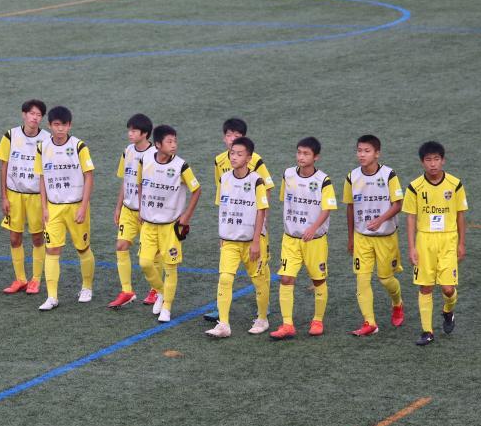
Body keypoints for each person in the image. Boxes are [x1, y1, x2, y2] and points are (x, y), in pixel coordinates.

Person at [205, 117, 275, 322]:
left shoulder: (255, 160)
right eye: (229, 135)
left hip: (253, 225)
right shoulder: (219, 161)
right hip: (232, 226)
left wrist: (261, 222)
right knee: (226, 276)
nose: (232, 139)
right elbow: (222, 195)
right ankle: (222, 311)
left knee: (260, 268)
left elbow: (266, 188)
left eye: (237, 136)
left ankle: (264, 307)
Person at [271, 137, 336, 341]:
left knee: (318, 279)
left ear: (316, 157)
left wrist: (313, 228)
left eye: (306, 153)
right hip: (290, 238)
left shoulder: (323, 180)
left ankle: (317, 320)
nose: (301, 157)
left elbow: (327, 208)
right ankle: (287, 324)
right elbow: (285, 200)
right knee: (286, 278)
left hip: (314, 240)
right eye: (299, 152)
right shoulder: (288, 174)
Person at [403, 142, 467, 346]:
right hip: (424, 240)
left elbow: (460, 215)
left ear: (443, 160)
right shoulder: (414, 187)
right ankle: (427, 331)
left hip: (448, 239)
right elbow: (411, 218)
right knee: (426, 287)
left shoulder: (455, 184)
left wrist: (462, 243)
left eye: (436, 159)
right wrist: (411, 247)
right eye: (428, 160)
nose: (433, 164)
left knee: (448, 289)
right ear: (422, 162)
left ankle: (448, 310)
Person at [136, 125, 201, 323]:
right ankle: (162, 292)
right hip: (148, 224)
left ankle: (167, 307)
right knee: (145, 263)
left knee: (170, 267)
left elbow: (196, 190)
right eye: (169, 142)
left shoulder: (181, 166)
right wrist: (141, 208)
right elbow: (140, 183)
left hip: (170, 226)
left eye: (175, 141)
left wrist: (186, 216)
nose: (174, 145)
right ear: (158, 144)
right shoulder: (145, 159)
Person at [35, 105, 96, 311]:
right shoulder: (42, 147)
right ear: (49, 125)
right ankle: (52, 296)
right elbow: (42, 178)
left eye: (64, 125)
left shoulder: (79, 146)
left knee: (82, 248)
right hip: (53, 208)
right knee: (52, 250)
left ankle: (87, 287)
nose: (60, 129)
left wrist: (83, 206)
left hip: (76, 206)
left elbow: (89, 177)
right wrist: (44, 207)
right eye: (56, 125)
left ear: (69, 126)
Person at [344, 134, 405, 336]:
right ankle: (369, 323)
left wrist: (380, 220)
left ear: (377, 153)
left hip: (386, 237)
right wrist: (351, 237)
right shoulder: (352, 177)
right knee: (361, 280)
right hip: (362, 238)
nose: (362, 154)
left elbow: (398, 204)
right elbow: (350, 208)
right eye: (359, 150)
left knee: (386, 279)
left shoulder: (389, 175)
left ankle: (397, 303)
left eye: (367, 151)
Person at [0, 99, 50, 295]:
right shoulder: (10, 136)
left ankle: (35, 280)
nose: (35, 118)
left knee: (37, 238)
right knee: (14, 238)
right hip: (14, 195)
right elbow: (3, 167)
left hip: (36, 196)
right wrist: (3, 196)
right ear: (24, 115)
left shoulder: (47, 139)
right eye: (32, 114)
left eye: (38, 115)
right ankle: (20, 279)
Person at [109, 113, 156, 309]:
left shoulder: (155, 155)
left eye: (134, 131)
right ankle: (127, 291)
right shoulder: (127, 151)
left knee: (151, 255)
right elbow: (125, 180)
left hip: (148, 213)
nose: (130, 134)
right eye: (129, 130)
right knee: (121, 246)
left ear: (144, 134)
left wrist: (147, 210)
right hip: (128, 210)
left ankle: (156, 289)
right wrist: (118, 206)